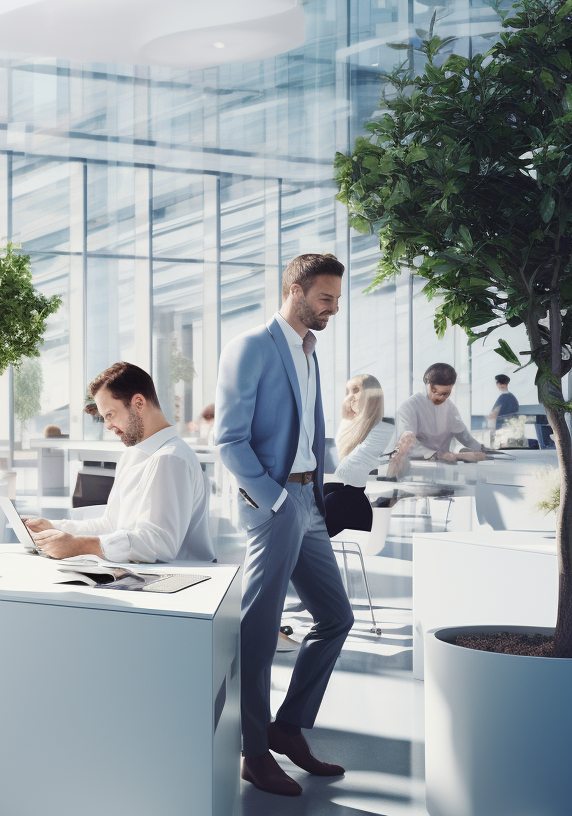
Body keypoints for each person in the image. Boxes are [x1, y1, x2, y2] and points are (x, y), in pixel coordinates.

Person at [214, 253, 354, 797]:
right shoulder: (252, 346)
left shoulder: (309, 352)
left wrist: (320, 491)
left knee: (336, 618)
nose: (333, 309)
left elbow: (308, 433)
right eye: (326, 298)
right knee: (259, 632)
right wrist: (275, 501)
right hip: (276, 503)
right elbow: (228, 438)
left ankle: (287, 728)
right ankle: (252, 751)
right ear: (294, 291)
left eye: (337, 299)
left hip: (309, 500)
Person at [21, 362, 214, 563]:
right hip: (145, 576)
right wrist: (53, 528)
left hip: (181, 582)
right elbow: (111, 524)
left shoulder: (171, 458)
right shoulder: (133, 456)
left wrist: (80, 546)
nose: (108, 426)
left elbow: (160, 544)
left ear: (138, 403)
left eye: (110, 415)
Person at [325, 374, 401, 538]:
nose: (350, 397)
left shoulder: (385, 427)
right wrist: (346, 420)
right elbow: (341, 459)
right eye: (348, 392)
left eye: (356, 390)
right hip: (350, 497)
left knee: (326, 499)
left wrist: (346, 421)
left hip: (358, 502)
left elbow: (347, 468)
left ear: (371, 395)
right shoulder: (356, 427)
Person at [395, 363, 487, 463]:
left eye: (445, 394)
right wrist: (437, 455)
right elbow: (406, 444)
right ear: (426, 384)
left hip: (445, 465)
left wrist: (481, 449)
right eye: (434, 391)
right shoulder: (409, 407)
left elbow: (463, 435)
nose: (438, 397)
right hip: (417, 465)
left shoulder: (450, 408)